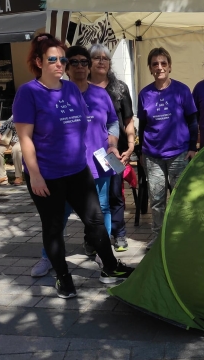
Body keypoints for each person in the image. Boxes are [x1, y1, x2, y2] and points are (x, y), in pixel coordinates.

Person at [13, 33, 132, 298]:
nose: (59, 64)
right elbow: (25, 139)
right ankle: (64, 278)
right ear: (38, 61)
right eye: (52, 59)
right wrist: (35, 175)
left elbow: (83, 126)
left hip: (78, 171)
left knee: (96, 220)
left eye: (62, 59)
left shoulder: (70, 89)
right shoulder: (29, 93)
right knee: (54, 228)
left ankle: (110, 267)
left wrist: (108, 144)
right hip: (48, 175)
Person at [30, 45, 121, 277]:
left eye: (84, 62)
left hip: (98, 163)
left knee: (101, 211)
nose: (80, 66)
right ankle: (46, 257)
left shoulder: (101, 94)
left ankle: (103, 253)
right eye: (75, 62)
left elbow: (112, 122)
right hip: (65, 169)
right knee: (57, 217)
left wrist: (112, 143)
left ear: (89, 67)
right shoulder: (56, 92)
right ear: (66, 66)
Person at [138, 47, 198, 250]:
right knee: (156, 200)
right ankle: (159, 238)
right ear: (150, 68)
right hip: (153, 155)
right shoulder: (145, 94)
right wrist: (141, 152)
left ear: (170, 66)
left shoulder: (182, 90)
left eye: (163, 63)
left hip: (179, 153)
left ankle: (180, 237)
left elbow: (192, 121)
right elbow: (143, 125)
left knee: (180, 198)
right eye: (155, 64)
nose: (159, 67)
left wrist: (192, 148)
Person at [88, 43, 136, 252]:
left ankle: (119, 234)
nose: (101, 61)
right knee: (91, 198)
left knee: (115, 193)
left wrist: (132, 145)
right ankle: (91, 238)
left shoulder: (120, 88)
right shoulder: (80, 86)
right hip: (89, 154)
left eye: (105, 58)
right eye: (96, 58)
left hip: (116, 151)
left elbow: (127, 120)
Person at [0, 117, 24, 186]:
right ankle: (2, 177)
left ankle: (19, 176)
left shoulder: (30, 115)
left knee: (16, 149)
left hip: (22, 141)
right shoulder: (14, 116)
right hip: (9, 141)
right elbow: (2, 126)